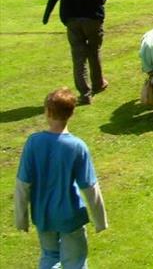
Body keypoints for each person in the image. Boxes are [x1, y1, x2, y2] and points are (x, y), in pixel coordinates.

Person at [14, 88, 108, 269]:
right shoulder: (77, 146)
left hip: (43, 215)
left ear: (47, 112)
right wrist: (100, 220)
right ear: (71, 113)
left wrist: (21, 218)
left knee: (49, 257)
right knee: (75, 261)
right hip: (70, 216)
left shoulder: (34, 142)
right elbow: (90, 187)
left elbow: (22, 184)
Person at [42, 0, 108, 105]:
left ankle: (85, 94)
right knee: (94, 52)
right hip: (92, 19)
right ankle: (98, 83)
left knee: (78, 57)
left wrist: (47, 14)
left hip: (72, 20)